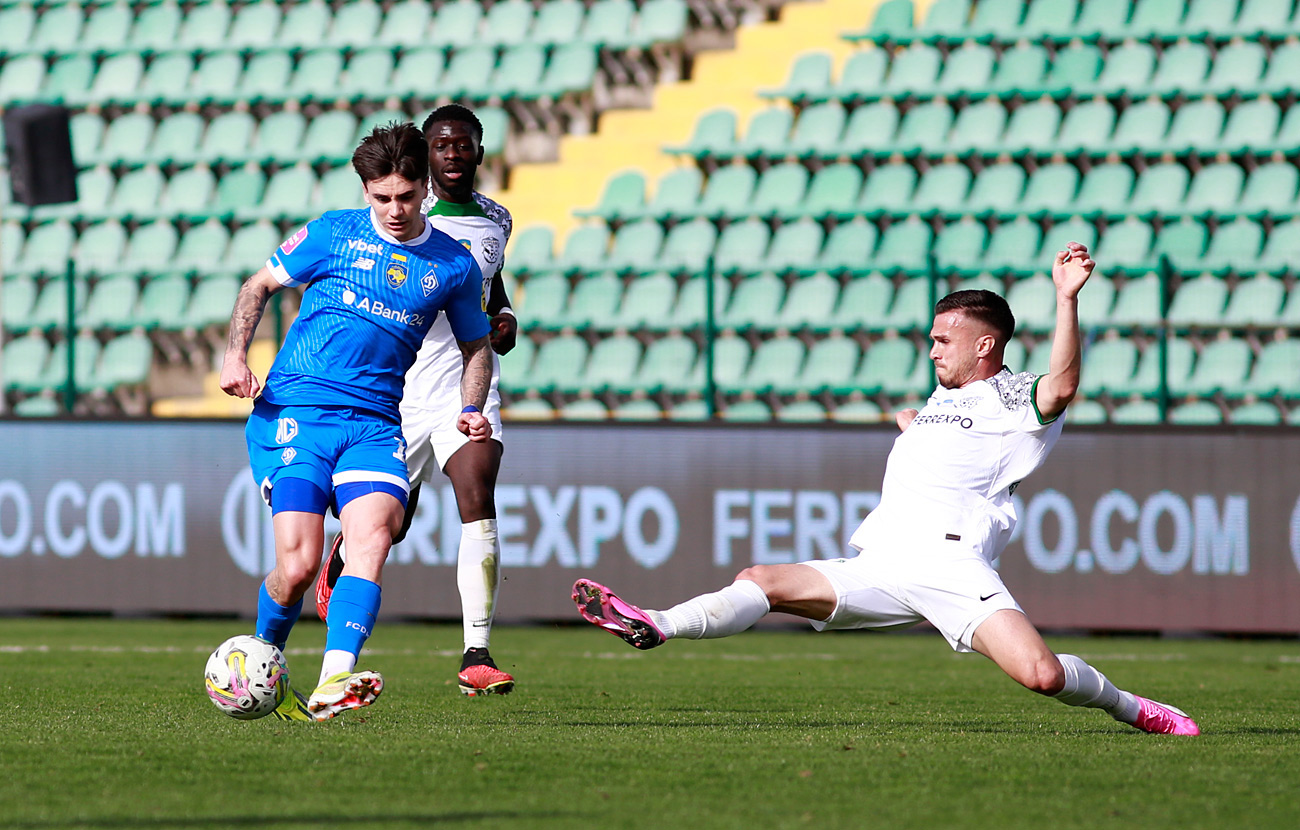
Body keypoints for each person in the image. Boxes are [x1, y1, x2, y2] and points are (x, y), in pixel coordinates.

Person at [572, 242, 1200, 737]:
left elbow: (1060, 388)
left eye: (942, 340)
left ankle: (1133, 708)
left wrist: (1066, 300)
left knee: (1039, 675)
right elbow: (942, 434)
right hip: (884, 560)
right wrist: (914, 424)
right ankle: (653, 623)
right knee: (761, 579)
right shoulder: (946, 397)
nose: (931, 351)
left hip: (950, 563)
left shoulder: (1014, 397)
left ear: (985, 345)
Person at [220, 122, 494, 721]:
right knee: (296, 569)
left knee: (372, 537)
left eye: (406, 195)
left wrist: (470, 407)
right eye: (381, 197)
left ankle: (332, 680)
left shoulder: (454, 265)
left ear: (425, 187)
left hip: (373, 425)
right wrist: (235, 355)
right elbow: (258, 285)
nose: (395, 210)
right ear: (365, 191)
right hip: (297, 414)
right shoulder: (331, 233)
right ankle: (264, 651)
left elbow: (478, 348)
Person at [314, 104, 518, 697]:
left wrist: (501, 317)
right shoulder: (404, 215)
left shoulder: (496, 219)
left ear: (479, 151)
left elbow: (488, 284)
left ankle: (475, 653)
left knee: (478, 494)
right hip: (401, 386)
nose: (453, 154)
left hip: (468, 381)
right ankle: (345, 553)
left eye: (464, 144)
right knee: (390, 526)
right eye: (442, 145)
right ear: (426, 158)